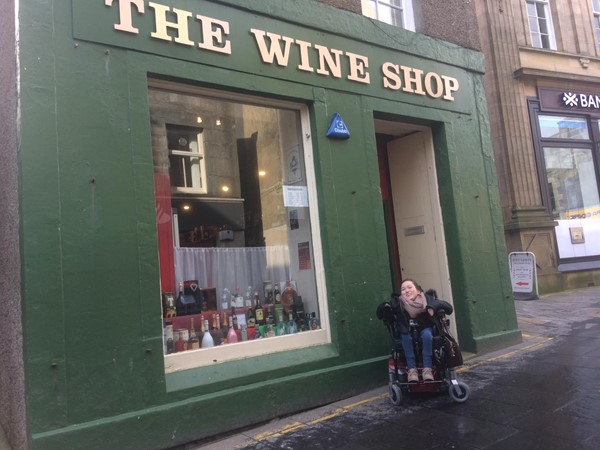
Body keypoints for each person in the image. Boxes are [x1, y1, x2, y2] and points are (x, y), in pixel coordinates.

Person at [392, 279, 452, 383]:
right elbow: (381, 312)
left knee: (427, 335)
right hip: (407, 330)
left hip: (425, 328)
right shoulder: (398, 302)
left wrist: (433, 306)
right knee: (406, 337)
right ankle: (412, 371)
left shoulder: (427, 299)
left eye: (410, 287)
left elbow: (449, 308)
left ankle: (427, 369)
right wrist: (386, 308)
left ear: (418, 290)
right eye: (403, 289)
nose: (407, 290)